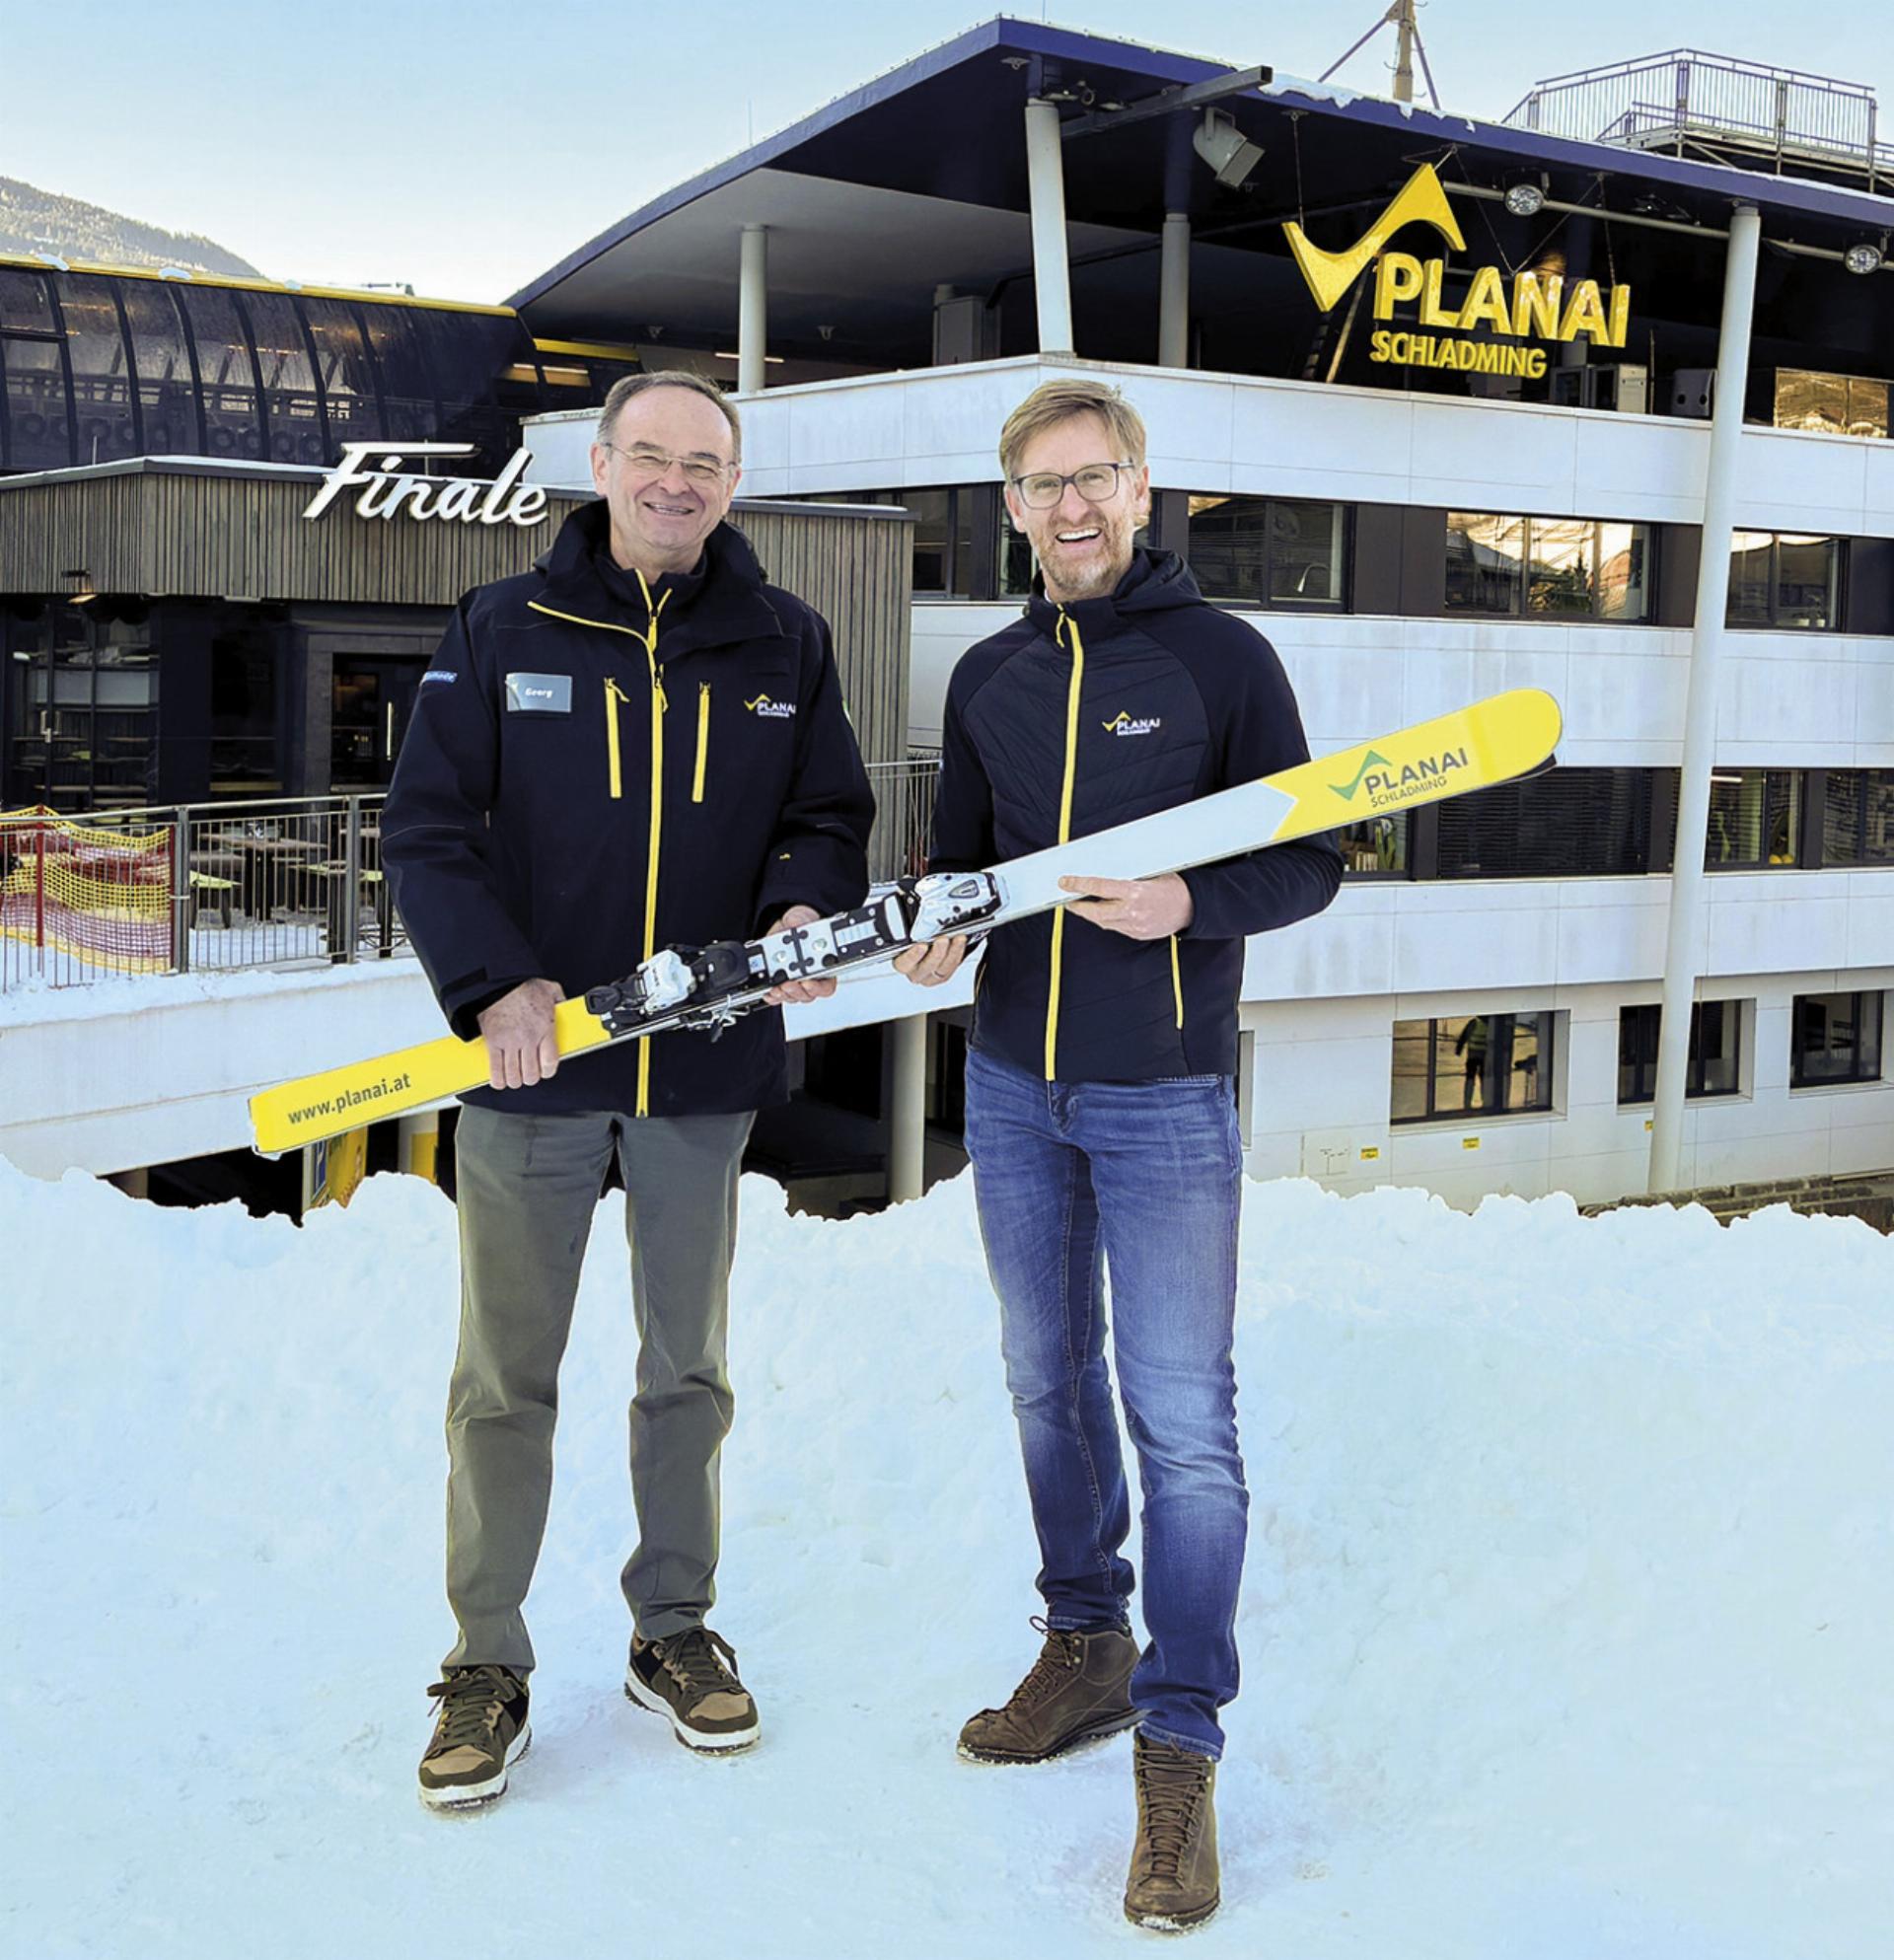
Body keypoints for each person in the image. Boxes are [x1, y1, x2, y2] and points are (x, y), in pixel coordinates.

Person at [382, 371, 873, 1808]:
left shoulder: (788, 638)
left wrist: (801, 910)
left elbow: (825, 817)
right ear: (599, 464)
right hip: (534, 1075)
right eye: (648, 456)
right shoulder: (498, 625)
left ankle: (673, 1628)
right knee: (503, 1382)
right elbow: (426, 830)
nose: (674, 482)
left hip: (701, 1073)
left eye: (704, 463)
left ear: (733, 483)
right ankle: (486, 1658)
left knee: (687, 1374)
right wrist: (494, 984)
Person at [897, 378, 1342, 1930]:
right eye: (1039, 484)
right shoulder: (989, 673)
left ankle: (1180, 1739)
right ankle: (1084, 1643)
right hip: (1015, 1082)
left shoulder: (1227, 662)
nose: (1069, 507)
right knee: (1042, 1377)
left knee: (1184, 1419)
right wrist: (938, 923)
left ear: (1147, 490)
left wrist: (1191, 906)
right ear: (1009, 506)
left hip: (1162, 1094)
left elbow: (1311, 856)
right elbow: (963, 857)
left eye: (1095, 478)